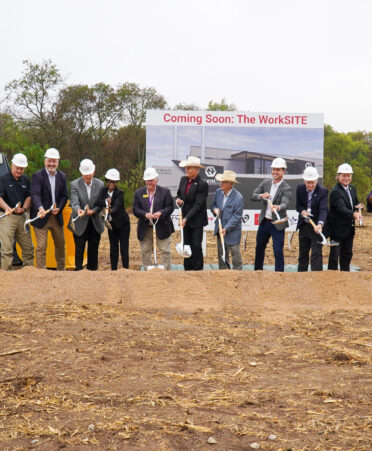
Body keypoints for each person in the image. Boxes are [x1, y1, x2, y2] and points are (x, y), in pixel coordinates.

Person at [251, 157, 292, 272]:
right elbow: (253, 195)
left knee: (278, 251)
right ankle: (257, 272)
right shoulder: (265, 183)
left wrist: (278, 207)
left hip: (277, 224)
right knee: (259, 248)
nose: (275, 172)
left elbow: (285, 203)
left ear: (284, 171)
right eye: (273, 169)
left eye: (278, 170)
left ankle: (279, 276)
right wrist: (261, 196)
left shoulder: (286, 188)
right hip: (265, 222)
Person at [30, 148, 68, 270]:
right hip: (41, 217)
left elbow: (64, 195)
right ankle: (41, 273)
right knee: (41, 247)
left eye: (54, 161)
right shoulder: (37, 176)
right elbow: (35, 194)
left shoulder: (62, 176)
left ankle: (61, 270)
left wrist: (60, 208)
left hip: (56, 217)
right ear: (45, 161)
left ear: (58, 162)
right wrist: (40, 208)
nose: (51, 164)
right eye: (49, 161)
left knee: (60, 245)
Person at [133, 167, 174, 270]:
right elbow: (135, 209)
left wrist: (161, 213)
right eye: (147, 180)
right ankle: (149, 273)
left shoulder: (165, 192)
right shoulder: (139, 193)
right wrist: (145, 214)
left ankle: (166, 272)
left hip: (162, 226)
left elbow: (170, 207)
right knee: (145, 251)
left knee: (165, 251)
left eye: (151, 180)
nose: (149, 183)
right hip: (145, 228)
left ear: (156, 180)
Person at [0, 153, 34, 270]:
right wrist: (6, 208)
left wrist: (24, 208)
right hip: (7, 216)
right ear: (12, 165)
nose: (19, 171)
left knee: (28, 248)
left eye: (22, 168)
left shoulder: (26, 179)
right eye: (17, 168)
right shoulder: (3, 179)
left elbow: (29, 196)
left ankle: (29, 273)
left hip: (22, 217)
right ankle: (6, 273)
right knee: (7, 249)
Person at [327, 163, 363, 271]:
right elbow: (341, 208)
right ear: (338, 176)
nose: (346, 178)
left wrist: (359, 206)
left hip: (349, 228)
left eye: (349, 175)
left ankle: (345, 276)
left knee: (347, 254)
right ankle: (331, 277)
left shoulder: (352, 188)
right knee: (334, 255)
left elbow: (354, 202)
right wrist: (354, 214)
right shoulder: (335, 192)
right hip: (336, 229)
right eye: (344, 175)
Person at [70, 159, 104, 270]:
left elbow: (101, 203)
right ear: (81, 173)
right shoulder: (74, 184)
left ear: (93, 172)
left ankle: (92, 270)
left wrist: (94, 210)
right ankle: (78, 270)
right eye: (85, 174)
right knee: (79, 248)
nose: (87, 176)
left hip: (95, 221)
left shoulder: (100, 184)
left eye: (89, 174)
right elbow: (74, 202)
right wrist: (78, 210)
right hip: (80, 222)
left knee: (93, 249)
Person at [176, 156, 208, 271]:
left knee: (196, 246)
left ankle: (198, 270)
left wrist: (186, 218)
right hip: (185, 219)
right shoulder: (183, 180)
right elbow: (179, 194)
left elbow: (198, 205)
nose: (186, 170)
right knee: (186, 245)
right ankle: (187, 270)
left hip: (196, 221)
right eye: (186, 168)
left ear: (197, 170)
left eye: (189, 168)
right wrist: (178, 200)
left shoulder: (202, 184)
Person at [296, 164, 328, 271]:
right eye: (308, 182)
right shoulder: (300, 189)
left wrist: (320, 223)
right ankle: (301, 278)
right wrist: (302, 211)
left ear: (317, 180)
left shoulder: (323, 191)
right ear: (304, 180)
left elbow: (323, 209)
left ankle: (317, 279)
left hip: (316, 228)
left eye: (312, 182)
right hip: (304, 226)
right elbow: (298, 206)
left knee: (316, 254)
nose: (310, 185)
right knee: (303, 254)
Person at [210, 170, 244, 270]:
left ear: (230, 184)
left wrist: (226, 228)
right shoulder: (218, 192)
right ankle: (223, 274)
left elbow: (237, 216)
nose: (221, 184)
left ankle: (238, 274)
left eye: (224, 182)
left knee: (235, 254)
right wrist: (215, 209)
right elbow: (213, 205)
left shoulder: (238, 198)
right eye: (221, 181)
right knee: (221, 253)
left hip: (232, 231)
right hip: (220, 229)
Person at [101, 168, 130, 270]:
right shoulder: (103, 191)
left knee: (124, 248)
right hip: (112, 225)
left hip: (123, 225)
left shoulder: (120, 193)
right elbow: (99, 201)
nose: (111, 184)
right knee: (113, 248)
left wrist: (109, 210)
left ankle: (126, 269)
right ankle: (113, 270)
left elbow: (117, 206)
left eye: (114, 182)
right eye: (109, 181)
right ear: (106, 181)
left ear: (117, 182)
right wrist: (104, 205)